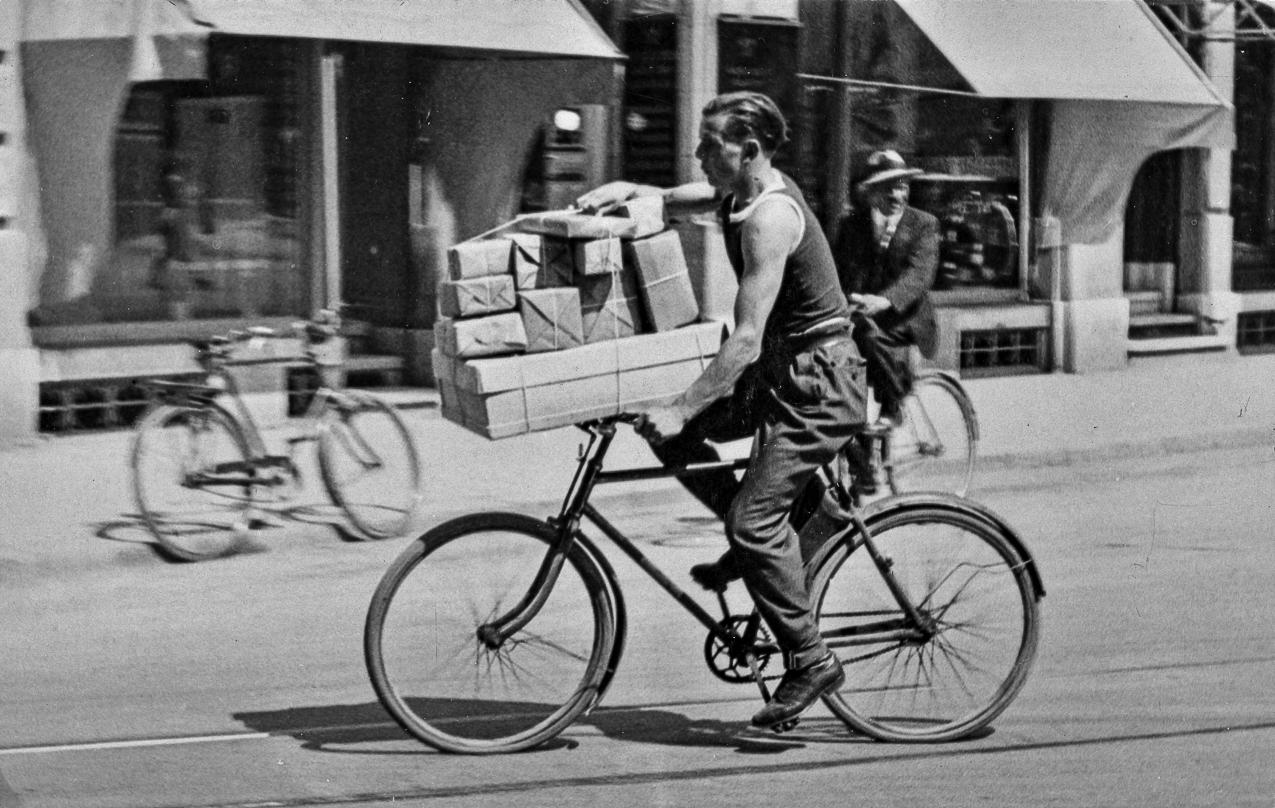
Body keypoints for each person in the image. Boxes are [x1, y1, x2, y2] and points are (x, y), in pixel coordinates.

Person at [576, 92, 866, 730]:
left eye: (711, 145)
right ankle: (787, 527)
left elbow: (744, 341)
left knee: (749, 518)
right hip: (780, 376)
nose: (699, 154)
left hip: (818, 384)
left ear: (751, 151)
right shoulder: (741, 192)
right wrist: (630, 188)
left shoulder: (771, 220)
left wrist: (683, 406)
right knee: (663, 436)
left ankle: (811, 659)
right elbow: (693, 196)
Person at [832, 149, 939, 428]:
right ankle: (863, 455)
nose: (896, 196)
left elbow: (919, 275)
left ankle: (894, 402)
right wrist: (847, 299)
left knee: (867, 335)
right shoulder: (851, 226)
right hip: (863, 313)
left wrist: (884, 301)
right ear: (869, 193)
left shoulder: (924, 224)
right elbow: (841, 270)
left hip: (907, 318)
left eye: (902, 187)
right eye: (887, 188)